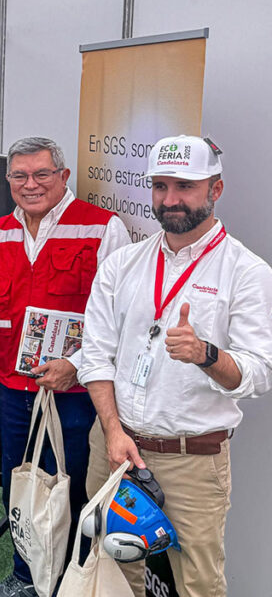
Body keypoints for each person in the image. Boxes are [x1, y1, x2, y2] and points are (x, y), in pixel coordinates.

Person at [81, 135, 272, 597]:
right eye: (160, 186)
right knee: (110, 573)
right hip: (115, 447)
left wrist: (206, 354)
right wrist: (113, 432)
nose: (170, 200)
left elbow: (258, 373)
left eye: (185, 186)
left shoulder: (247, 272)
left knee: (198, 585)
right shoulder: (124, 263)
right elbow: (95, 355)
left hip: (192, 462)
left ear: (215, 189)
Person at [0, 137, 130, 597]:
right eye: (20, 176)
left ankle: (67, 583)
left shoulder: (103, 228)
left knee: (73, 490)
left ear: (63, 176)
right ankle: (26, 577)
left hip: (79, 394)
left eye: (42, 174)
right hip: (15, 387)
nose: (31, 184)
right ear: (8, 180)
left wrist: (76, 365)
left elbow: (121, 319)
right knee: (19, 485)